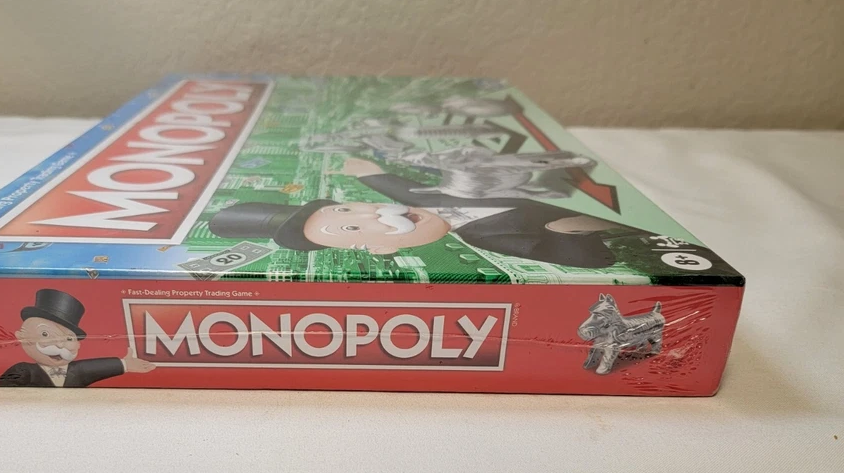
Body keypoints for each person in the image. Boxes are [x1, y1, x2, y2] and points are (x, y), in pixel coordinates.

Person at [209, 158, 639, 267]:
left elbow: (389, 183)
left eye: (351, 210)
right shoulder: (491, 237)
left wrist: (367, 171)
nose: (379, 216)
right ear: (379, 250)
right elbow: (589, 257)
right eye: (353, 227)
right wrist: (567, 226)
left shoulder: (422, 195)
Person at [0, 289, 155, 387]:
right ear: (22, 337)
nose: (59, 345)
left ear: (79, 345)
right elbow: (4, 389)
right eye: (46, 334)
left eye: (69, 339)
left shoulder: (76, 372)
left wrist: (125, 364)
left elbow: (95, 367)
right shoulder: (24, 371)